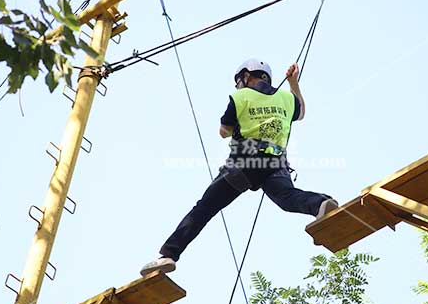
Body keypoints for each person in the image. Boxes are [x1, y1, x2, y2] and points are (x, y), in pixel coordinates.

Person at [140, 58, 338, 276]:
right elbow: (300, 114)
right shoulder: (286, 99)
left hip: (245, 163)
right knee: (287, 197)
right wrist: (293, 83)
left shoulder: (240, 97)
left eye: (239, 81)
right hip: (275, 162)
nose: (237, 86)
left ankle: (169, 254)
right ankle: (321, 203)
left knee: (205, 208)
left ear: (247, 76)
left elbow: (224, 131)